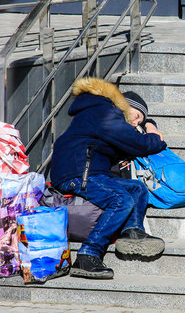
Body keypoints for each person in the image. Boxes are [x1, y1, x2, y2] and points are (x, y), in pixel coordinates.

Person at [50, 78, 167, 280]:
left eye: (140, 121)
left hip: (86, 171)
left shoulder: (98, 111)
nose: (137, 122)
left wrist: (148, 122)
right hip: (78, 174)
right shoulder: (104, 112)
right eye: (137, 116)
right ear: (124, 104)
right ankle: (88, 255)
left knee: (137, 188)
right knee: (121, 199)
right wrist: (155, 135)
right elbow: (139, 144)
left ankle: (132, 232)